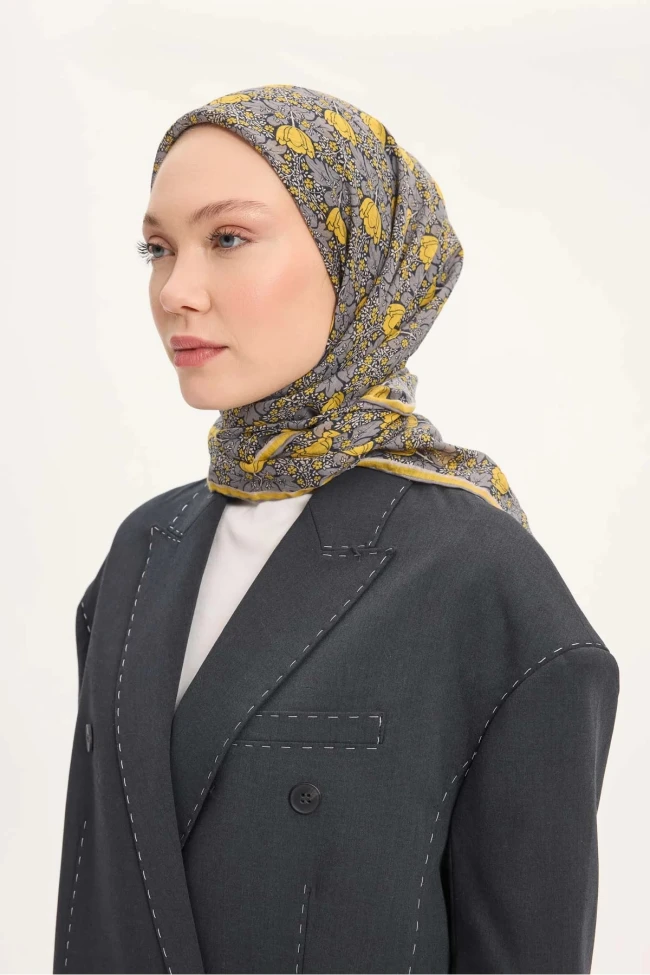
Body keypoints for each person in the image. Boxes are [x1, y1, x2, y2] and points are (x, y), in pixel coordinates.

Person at [53, 83, 619, 975]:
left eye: (226, 238)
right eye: (157, 249)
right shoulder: (143, 550)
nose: (176, 291)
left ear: (361, 259)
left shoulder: (479, 573)